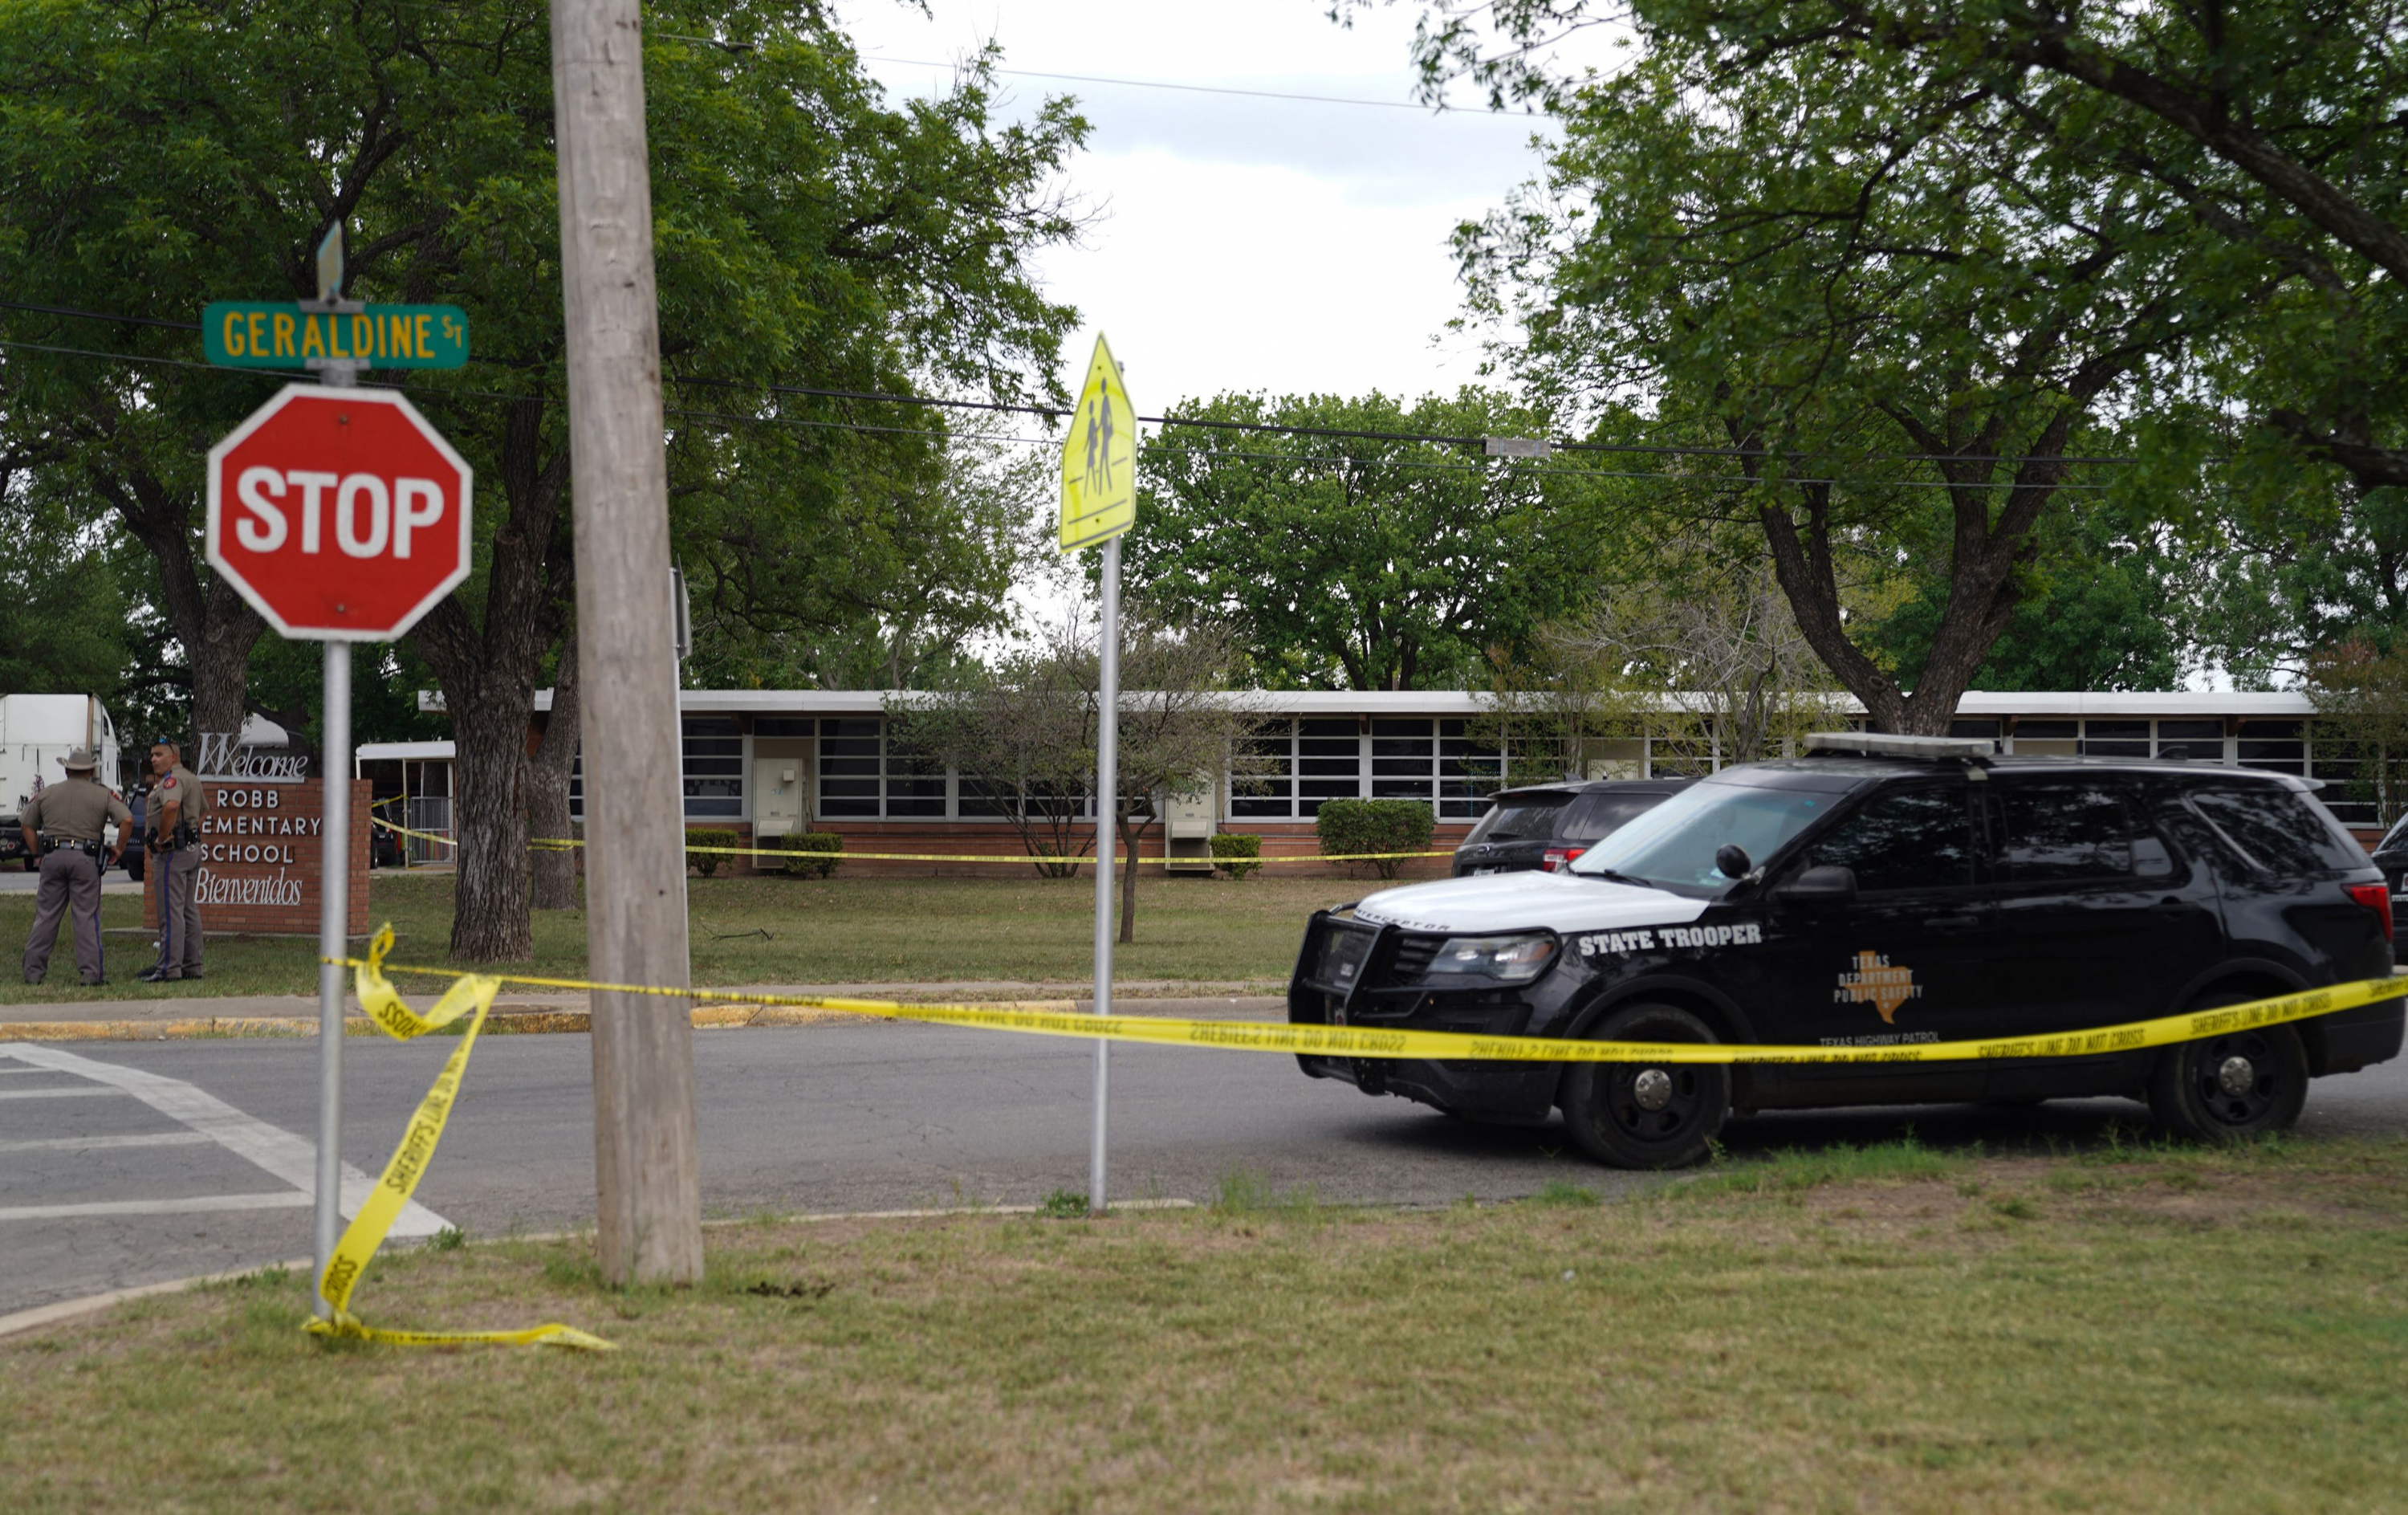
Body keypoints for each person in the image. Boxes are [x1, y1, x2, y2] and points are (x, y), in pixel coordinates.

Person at [20, 748, 130, 987]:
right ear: (91, 771)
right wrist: (119, 850)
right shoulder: (104, 795)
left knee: (46, 916)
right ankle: (91, 975)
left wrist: (37, 853)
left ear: (67, 770)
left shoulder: (47, 793)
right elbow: (127, 819)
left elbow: (26, 824)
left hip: (53, 856)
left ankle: (32, 973)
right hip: (85, 859)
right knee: (86, 917)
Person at [137, 739, 209, 983]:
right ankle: (192, 965)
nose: (153, 759)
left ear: (173, 758)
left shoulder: (172, 779)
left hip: (172, 853)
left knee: (171, 911)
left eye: (159, 754)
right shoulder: (192, 778)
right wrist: (191, 834)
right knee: (188, 909)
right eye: (152, 755)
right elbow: (204, 812)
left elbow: (170, 807)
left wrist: (163, 837)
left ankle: (168, 968)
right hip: (190, 849)